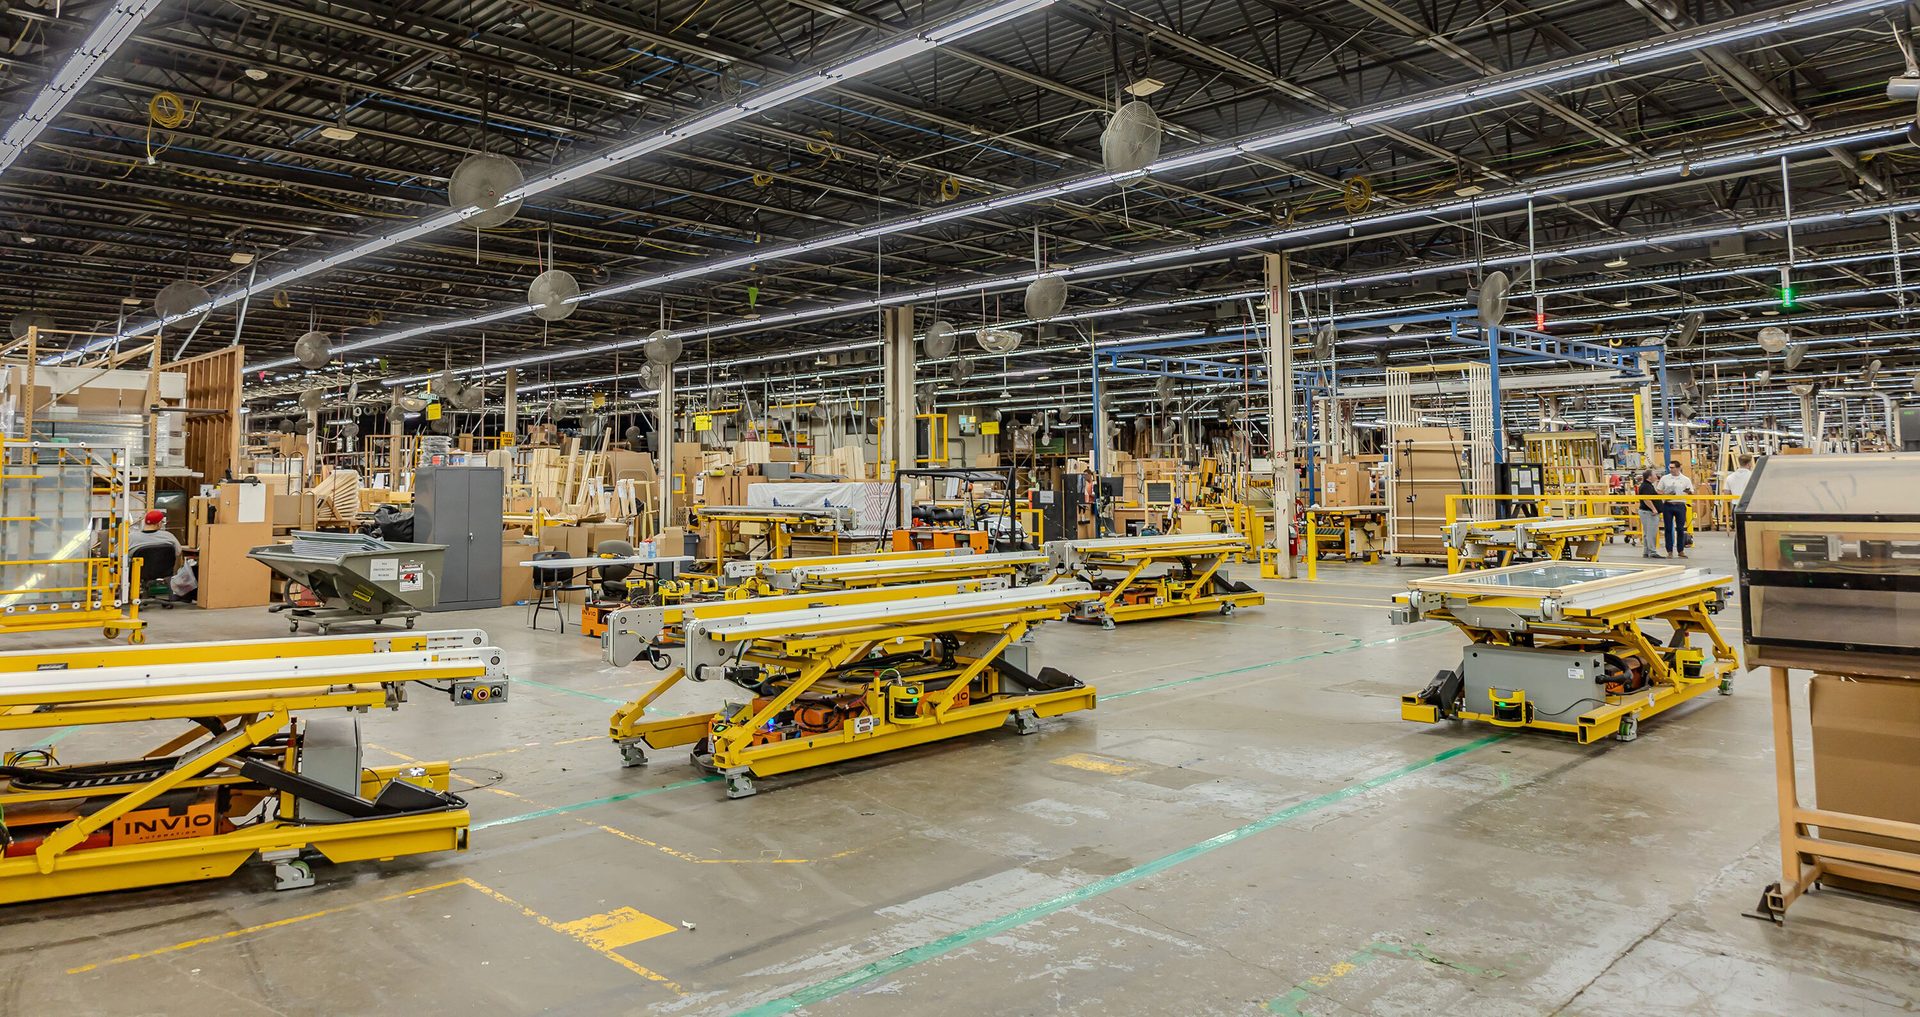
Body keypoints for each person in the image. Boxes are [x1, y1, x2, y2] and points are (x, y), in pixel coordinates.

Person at [1654, 460, 1695, 558]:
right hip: (1668, 504)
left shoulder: (1686, 479)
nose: (1671, 469)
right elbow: (1658, 491)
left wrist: (1688, 492)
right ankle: (1669, 551)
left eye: (1672, 467)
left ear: (1678, 468)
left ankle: (1680, 550)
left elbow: (1692, 492)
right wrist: (1666, 494)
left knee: (1680, 529)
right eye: (1670, 467)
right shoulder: (1665, 478)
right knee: (1668, 528)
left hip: (1680, 504)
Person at [1636, 470, 1661, 558]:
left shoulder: (1648, 486)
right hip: (1649, 513)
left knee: (1647, 533)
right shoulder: (1646, 486)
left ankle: (1646, 552)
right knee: (1651, 533)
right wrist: (1654, 509)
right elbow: (1646, 499)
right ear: (1649, 477)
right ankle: (1652, 552)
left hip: (1646, 512)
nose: (1656, 476)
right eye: (1654, 475)